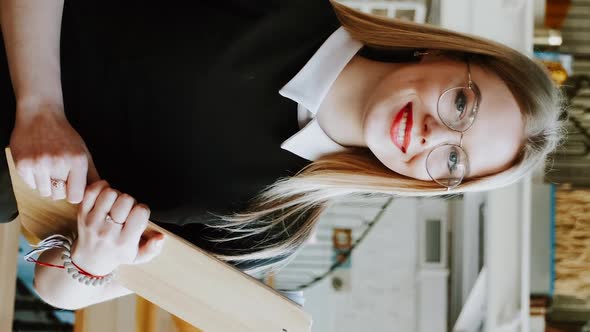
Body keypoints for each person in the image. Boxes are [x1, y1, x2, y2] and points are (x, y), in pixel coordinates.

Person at [0, 0, 564, 309]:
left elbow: (55, 288)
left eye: (454, 162)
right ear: (440, 51)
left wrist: (95, 259)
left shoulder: (273, 232)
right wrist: (40, 104)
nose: (432, 136)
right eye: (461, 103)